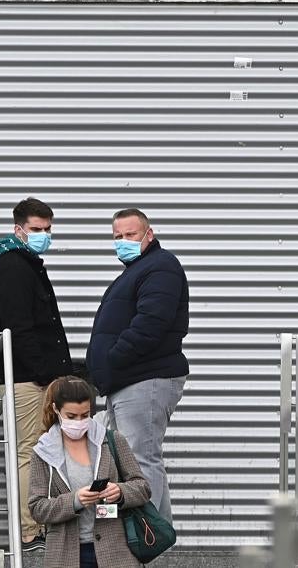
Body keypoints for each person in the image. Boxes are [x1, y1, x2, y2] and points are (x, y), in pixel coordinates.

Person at [86, 208, 188, 523]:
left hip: (144, 379)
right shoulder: (138, 270)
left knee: (140, 461)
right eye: (118, 237)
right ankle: (157, 534)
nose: (123, 242)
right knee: (133, 461)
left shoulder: (160, 267)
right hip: (128, 380)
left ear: (149, 234)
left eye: (131, 235)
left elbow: (151, 323)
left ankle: (147, 537)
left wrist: (113, 357)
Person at [0, 197, 74, 551]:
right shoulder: (13, 267)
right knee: (29, 452)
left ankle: (35, 526)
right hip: (26, 379)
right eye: (37, 229)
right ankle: (29, 530)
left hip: (32, 376)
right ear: (18, 229)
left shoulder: (24, 264)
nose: (43, 236)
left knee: (37, 450)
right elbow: (18, 327)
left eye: (48, 229)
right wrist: (43, 374)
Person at [28, 376, 150, 568]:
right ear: (56, 410)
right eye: (71, 416)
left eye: (85, 415)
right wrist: (75, 501)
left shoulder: (112, 440)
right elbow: (37, 508)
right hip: (65, 554)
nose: (79, 421)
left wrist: (120, 492)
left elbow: (142, 487)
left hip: (116, 552)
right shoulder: (43, 452)